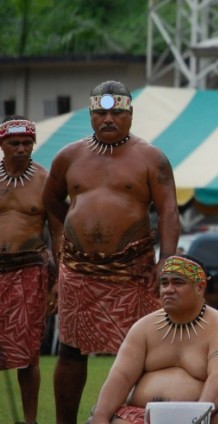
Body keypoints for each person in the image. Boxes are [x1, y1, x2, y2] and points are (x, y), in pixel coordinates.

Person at [43, 80, 180, 423]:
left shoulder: (151, 157)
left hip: (133, 272)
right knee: (71, 351)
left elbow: (168, 212)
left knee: (139, 352)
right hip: (79, 269)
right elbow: (51, 201)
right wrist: (76, 232)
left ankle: (128, 419)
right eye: (100, 112)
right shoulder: (68, 156)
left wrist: (166, 260)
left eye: (116, 111)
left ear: (130, 114)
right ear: (90, 115)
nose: (108, 118)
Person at [90, 255, 218, 424]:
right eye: (164, 283)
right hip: (137, 417)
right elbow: (121, 376)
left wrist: (197, 418)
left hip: (198, 418)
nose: (168, 289)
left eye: (178, 283)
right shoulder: (144, 327)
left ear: (199, 287)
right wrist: (101, 416)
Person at [0, 115, 61, 424]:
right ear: (2, 144)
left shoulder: (45, 181)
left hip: (30, 272)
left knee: (27, 354)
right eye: (15, 144)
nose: (22, 149)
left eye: (27, 143)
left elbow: (59, 232)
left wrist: (57, 282)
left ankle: (29, 420)